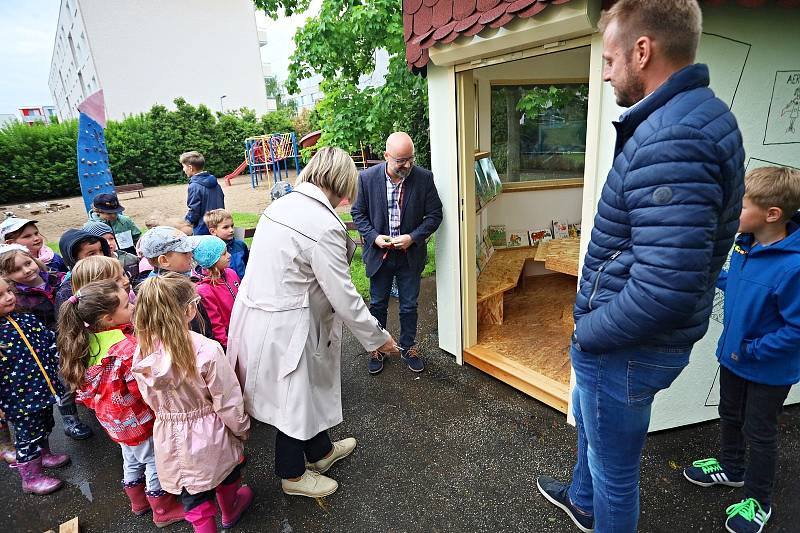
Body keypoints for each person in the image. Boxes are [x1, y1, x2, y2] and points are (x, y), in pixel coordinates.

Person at [535, 2, 745, 532]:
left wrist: (590, 330)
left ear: (642, 51)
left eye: (609, 59)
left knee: (616, 476)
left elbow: (663, 289)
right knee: (591, 431)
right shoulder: (695, 115)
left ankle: (594, 501)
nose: (605, 72)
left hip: (625, 348)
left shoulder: (673, 136)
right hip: (623, 343)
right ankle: (580, 499)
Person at [227, 147, 399, 499]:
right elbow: (345, 296)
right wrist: (377, 338)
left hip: (269, 316)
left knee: (304, 393)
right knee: (294, 400)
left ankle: (319, 453)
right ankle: (292, 475)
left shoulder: (283, 204)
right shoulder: (322, 226)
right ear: (340, 183)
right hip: (290, 326)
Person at [682, 167, 800, 533]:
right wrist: (710, 274)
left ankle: (758, 501)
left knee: (759, 431)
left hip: (766, 367)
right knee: (730, 414)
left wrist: (752, 349)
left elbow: (797, 328)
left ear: (772, 214)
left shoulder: (793, 266)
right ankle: (732, 469)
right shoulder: (745, 245)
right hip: (734, 357)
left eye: (739, 206)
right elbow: (740, 283)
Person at [57, 279, 185, 527]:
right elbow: (142, 392)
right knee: (154, 462)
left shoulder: (82, 344)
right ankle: (163, 509)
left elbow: (85, 394)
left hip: (114, 422)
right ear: (107, 319)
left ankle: (138, 502)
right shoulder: (126, 350)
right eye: (127, 305)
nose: (133, 307)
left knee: (132, 458)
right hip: (140, 420)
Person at [132, 273, 252, 533]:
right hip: (211, 431)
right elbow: (227, 399)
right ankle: (230, 509)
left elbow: (149, 398)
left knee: (192, 491)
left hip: (169, 431)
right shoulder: (207, 349)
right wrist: (241, 429)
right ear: (189, 309)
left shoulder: (142, 353)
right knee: (226, 471)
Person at [350, 132, 443, 374]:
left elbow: (435, 215)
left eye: (410, 158)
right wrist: (374, 237)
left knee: (409, 305)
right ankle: (377, 347)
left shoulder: (423, 178)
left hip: (409, 256)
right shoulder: (367, 179)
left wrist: (412, 237)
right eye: (401, 160)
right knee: (378, 303)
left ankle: (409, 346)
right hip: (379, 256)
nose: (408, 165)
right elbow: (358, 214)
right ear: (386, 156)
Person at [0, 276, 70, 495]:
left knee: (46, 424)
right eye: (0, 296)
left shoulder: (25, 319)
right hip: (18, 400)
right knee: (27, 437)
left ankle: (45, 455)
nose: (9, 297)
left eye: (8, 291)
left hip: (43, 390)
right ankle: (31, 477)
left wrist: (63, 359)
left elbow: (49, 341)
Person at [137, 226, 217, 342]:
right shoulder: (174, 293)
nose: (190, 254)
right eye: (184, 252)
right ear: (164, 261)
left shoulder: (176, 282)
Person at [0, 244, 64, 330]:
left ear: (34, 260)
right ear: (6, 275)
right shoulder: (18, 300)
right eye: (16, 270)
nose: (27, 271)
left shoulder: (59, 278)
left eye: (28, 263)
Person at [193, 236, 240, 350]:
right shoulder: (204, 289)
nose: (229, 255)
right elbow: (215, 323)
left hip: (241, 330)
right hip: (228, 340)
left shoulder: (231, 273)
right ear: (211, 260)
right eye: (223, 254)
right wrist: (226, 346)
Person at [181, 151, 225, 236]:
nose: (183, 170)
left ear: (190, 168)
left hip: (203, 231)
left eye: (183, 167)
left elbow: (194, 211)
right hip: (219, 227)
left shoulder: (194, 186)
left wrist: (186, 221)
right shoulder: (216, 184)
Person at [1, 217, 67, 273]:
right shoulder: (8, 267)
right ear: (10, 243)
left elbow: (68, 277)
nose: (36, 238)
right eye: (27, 236)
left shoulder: (53, 257)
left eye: (36, 233)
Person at [204, 209, 249, 279]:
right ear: (213, 231)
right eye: (226, 227)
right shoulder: (211, 252)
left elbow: (247, 265)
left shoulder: (241, 245)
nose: (231, 230)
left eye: (232, 226)